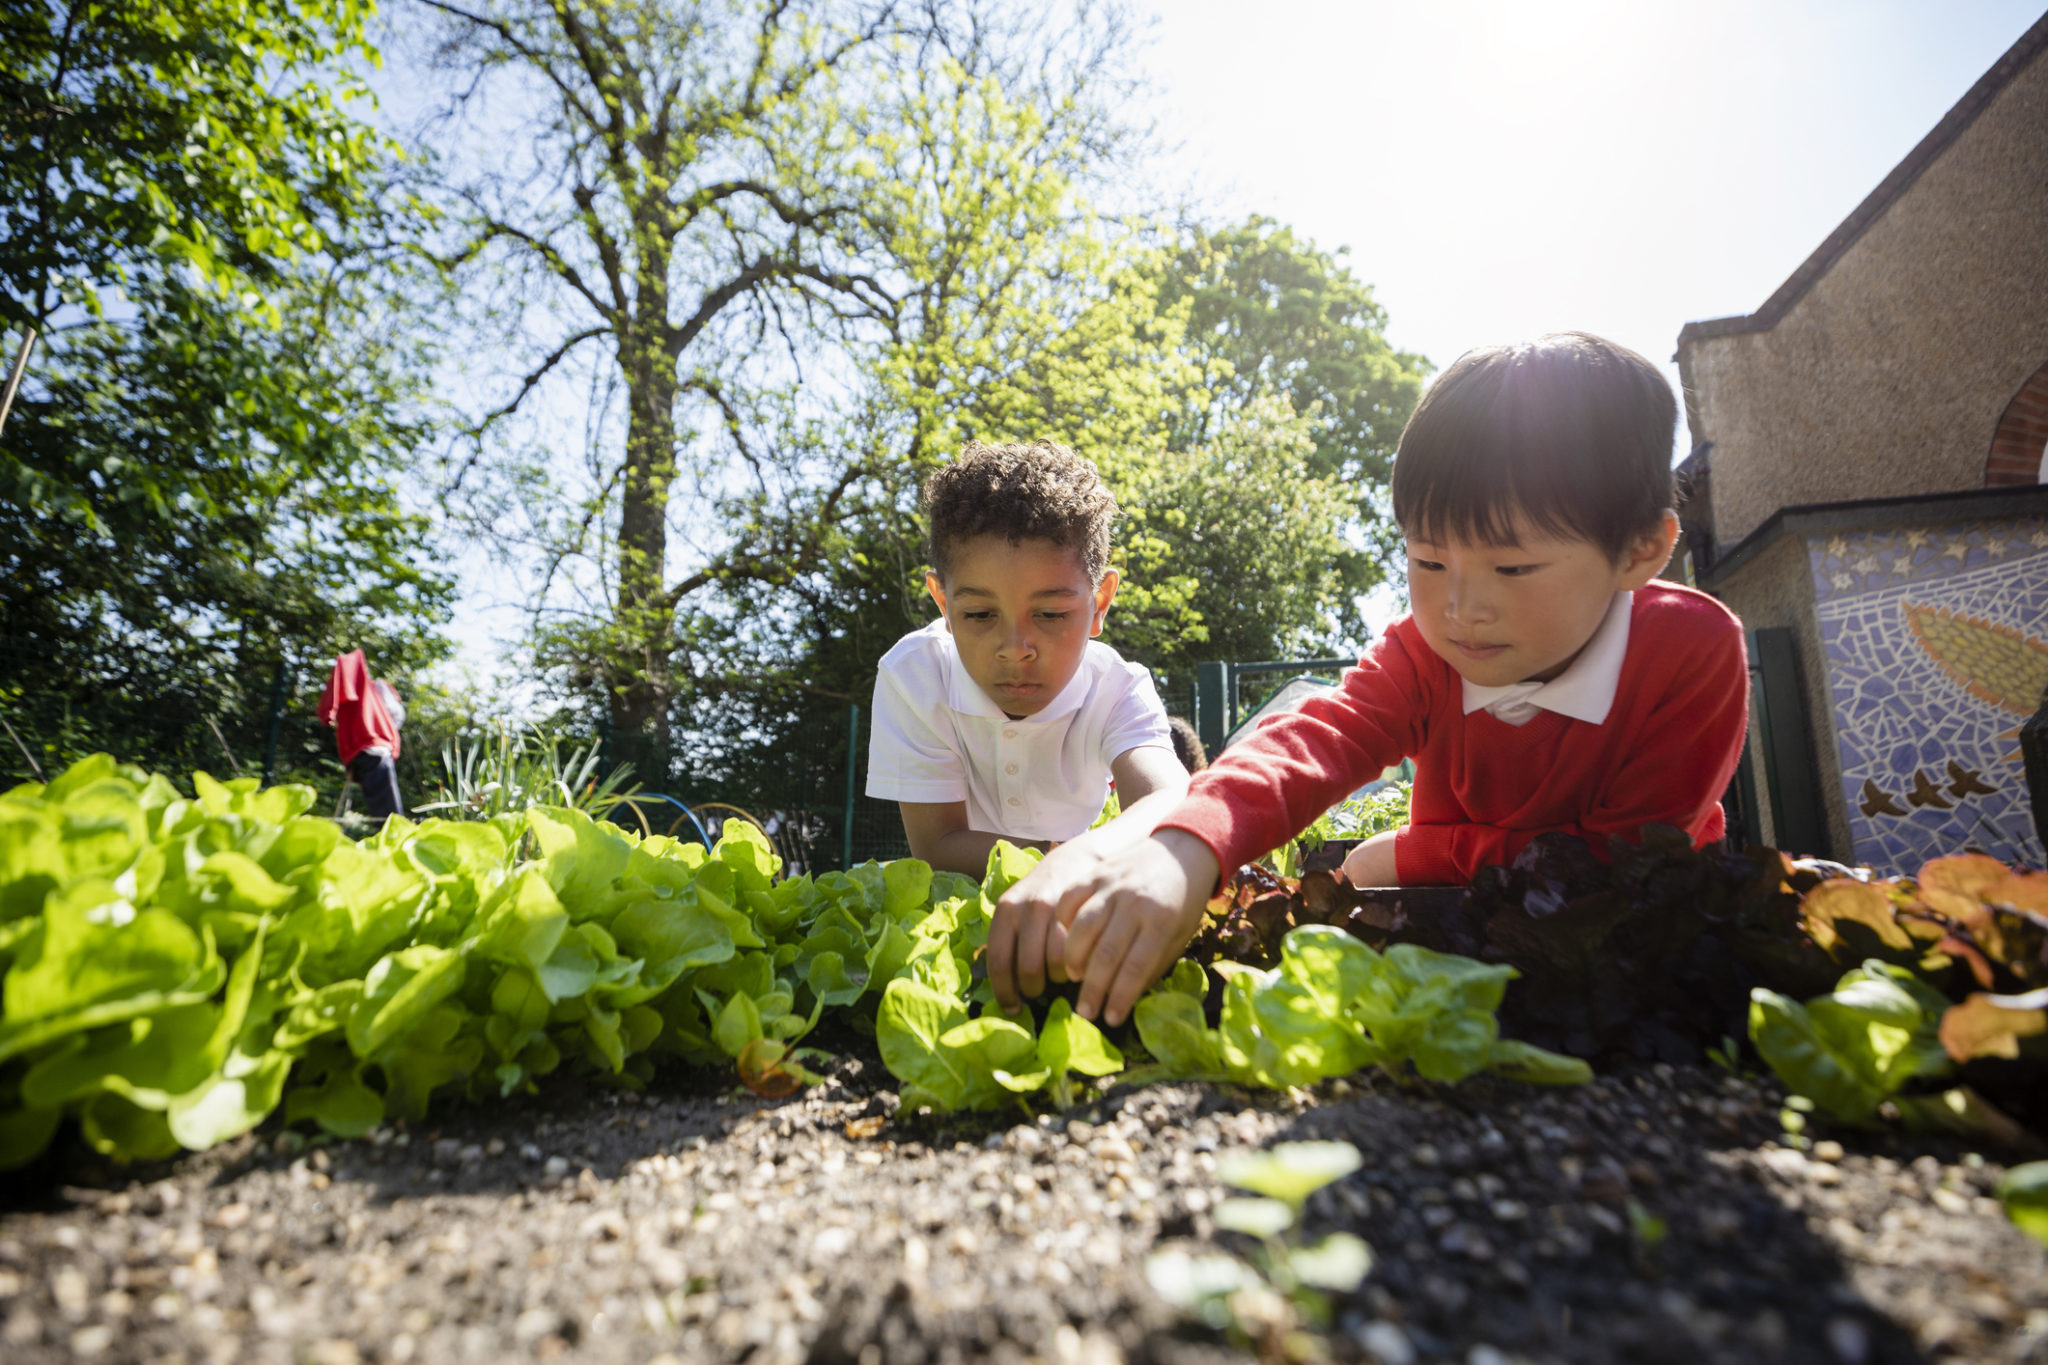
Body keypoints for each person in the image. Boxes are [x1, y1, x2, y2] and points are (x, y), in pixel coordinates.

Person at [988, 332, 1750, 1028]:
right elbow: (1315, 739)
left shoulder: (1692, 652)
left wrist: (1418, 854)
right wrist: (1182, 850)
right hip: (1465, 934)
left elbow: (1619, 866)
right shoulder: (1426, 653)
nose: (1459, 608)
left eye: (1512, 566)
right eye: (1428, 561)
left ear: (1641, 550)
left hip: (1637, 954)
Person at [866, 439, 1190, 880]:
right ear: (942, 603)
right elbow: (938, 847)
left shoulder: (1118, 688)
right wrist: (1073, 858)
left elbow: (1168, 801)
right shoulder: (914, 676)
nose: (1015, 647)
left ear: (1100, 603)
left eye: (1051, 614)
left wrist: (1077, 861)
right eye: (979, 614)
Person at [318, 649, 406, 821]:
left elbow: (328, 705)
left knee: (383, 808)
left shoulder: (354, 684)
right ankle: (393, 838)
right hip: (375, 748)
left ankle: (388, 835)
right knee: (388, 812)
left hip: (359, 748)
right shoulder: (368, 683)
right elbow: (397, 715)